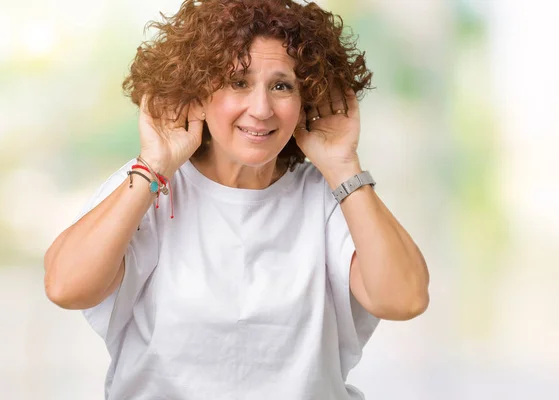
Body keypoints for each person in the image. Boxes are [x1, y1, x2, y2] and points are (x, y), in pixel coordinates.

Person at [43, 0, 430, 398]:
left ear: (306, 99)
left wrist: (345, 166)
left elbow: (404, 299)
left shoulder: (329, 195)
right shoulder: (151, 186)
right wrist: (154, 165)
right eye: (239, 82)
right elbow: (66, 287)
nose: (261, 109)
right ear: (197, 91)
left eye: (282, 86)